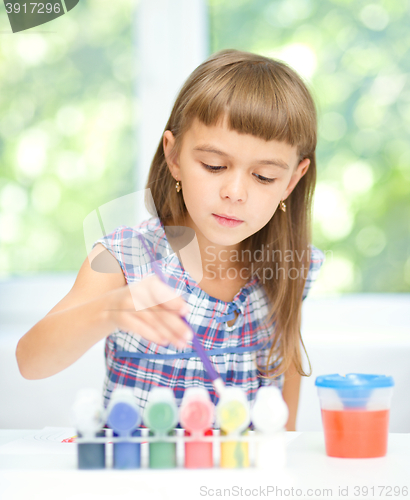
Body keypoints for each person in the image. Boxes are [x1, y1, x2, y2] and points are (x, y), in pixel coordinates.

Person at [16, 49, 325, 431]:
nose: (235, 191)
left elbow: (283, 391)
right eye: (214, 166)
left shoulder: (291, 266)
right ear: (174, 155)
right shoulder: (126, 259)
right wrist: (111, 309)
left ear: (292, 181)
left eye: (263, 176)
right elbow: (30, 362)